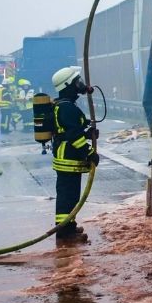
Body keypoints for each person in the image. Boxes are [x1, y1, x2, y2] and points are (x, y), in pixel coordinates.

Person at [49, 66, 98, 243]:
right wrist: (90, 152)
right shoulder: (67, 108)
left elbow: (70, 130)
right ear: (68, 85)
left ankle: (69, 225)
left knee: (71, 196)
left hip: (69, 157)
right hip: (67, 158)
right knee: (67, 196)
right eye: (77, 82)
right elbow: (73, 136)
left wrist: (88, 134)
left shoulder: (66, 106)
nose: (80, 85)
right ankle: (64, 232)